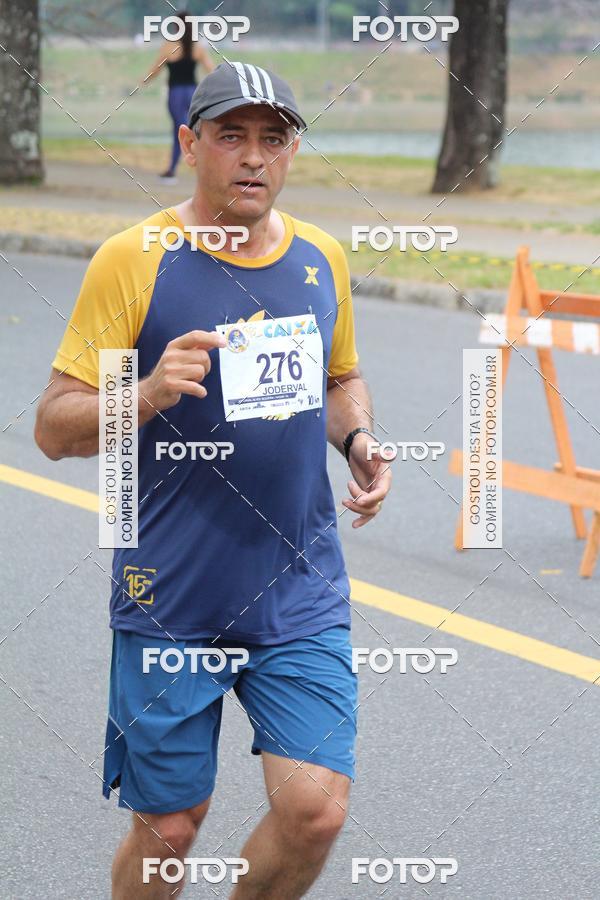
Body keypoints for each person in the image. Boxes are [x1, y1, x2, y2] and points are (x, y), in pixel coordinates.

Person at [35, 61, 392, 899]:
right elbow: (53, 428)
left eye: (275, 139)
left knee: (316, 812)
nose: (255, 158)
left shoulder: (320, 258)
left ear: (293, 152)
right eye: (232, 136)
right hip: (173, 594)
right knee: (171, 826)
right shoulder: (135, 259)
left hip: (297, 586)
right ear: (190, 143)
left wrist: (362, 438)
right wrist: (149, 392)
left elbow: (340, 379)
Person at [144, 9, 215, 182]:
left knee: (179, 129)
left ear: (175, 26)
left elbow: (155, 69)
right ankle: (193, 165)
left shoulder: (169, 46)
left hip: (176, 93)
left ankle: (172, 168)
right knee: (190, 128)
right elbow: (211, 70)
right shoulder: (197, 47)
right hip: (193, 93)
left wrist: (143, 81)